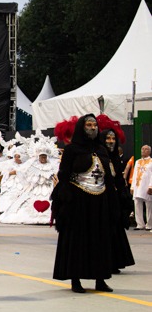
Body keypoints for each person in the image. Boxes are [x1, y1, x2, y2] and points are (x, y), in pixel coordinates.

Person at [51, 114, 115, 293]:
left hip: (99, 200)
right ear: (82, 127)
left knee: (100, 239)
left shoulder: (102, 149)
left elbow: (107, 177)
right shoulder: (72, 150)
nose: (93, 128)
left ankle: (100, 279)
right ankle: (75, 280)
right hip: (78, 201)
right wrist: (65, 199)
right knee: (78, 240)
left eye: (95, 125)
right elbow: (64, 175)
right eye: (89, 124)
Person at [96, 115, 135, 273]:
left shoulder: (116, 159)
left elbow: (119, 178)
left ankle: (116, 260)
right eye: (108, 138)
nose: (111, 141)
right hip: (101, 199)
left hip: (115, 200)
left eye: (113, 138)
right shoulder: (97, 156)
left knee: (116, 230)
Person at [131, 145, 152, 230]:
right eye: (142, 149)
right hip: (137, 186)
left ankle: (149, 224)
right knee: (137, 203)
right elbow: (134, 174)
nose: (143, 150)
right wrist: (132, 187)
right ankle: (140, 224)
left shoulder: (151, 161)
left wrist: (151, 186)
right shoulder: (137, 162)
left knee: (149, 205)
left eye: (146, 149)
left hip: (147, 186)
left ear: (149, 151)